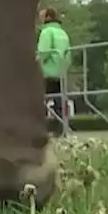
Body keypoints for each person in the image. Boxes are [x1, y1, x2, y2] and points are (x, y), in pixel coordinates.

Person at [36, 8, 72, 136]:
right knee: (59, 101)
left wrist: (37, 64)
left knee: (39, 99)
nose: (39, 17)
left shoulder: (47, 32)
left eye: (41, 15)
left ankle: (40, 129)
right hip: (61, 70)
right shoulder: (62, 33)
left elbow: (43, 52)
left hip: (48, 70)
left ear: (48, 17)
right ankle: (60, 128)